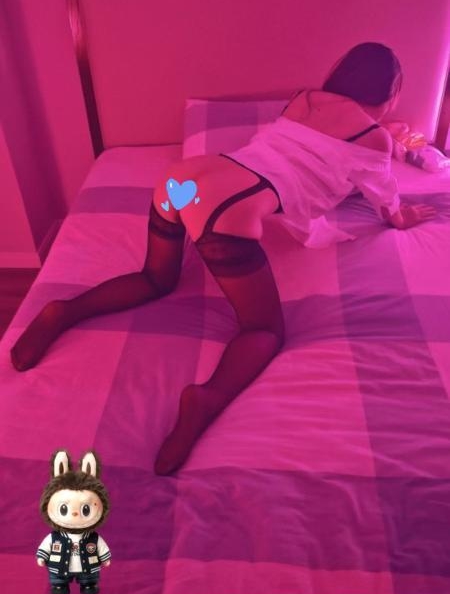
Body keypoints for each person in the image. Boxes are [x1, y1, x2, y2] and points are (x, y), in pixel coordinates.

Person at [10, 42, 437, 475]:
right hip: (225, 208)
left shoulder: (304, 99)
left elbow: (305, 151)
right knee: (263, 330)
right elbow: (385, 199)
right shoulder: (374, 138)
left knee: (155, 278)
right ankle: (205, 398)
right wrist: (403, 216)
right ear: (390, 93)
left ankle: (63, 311)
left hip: (183, 180)